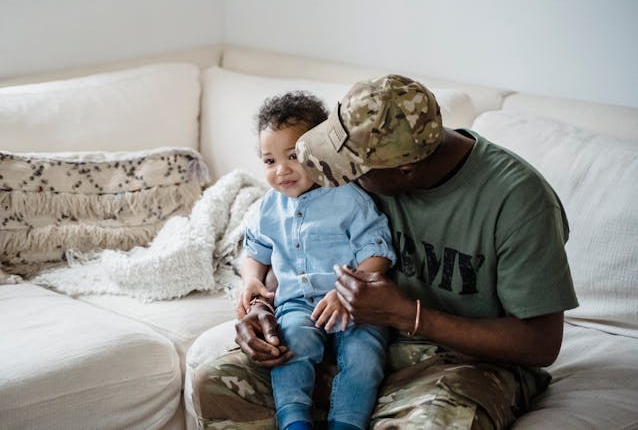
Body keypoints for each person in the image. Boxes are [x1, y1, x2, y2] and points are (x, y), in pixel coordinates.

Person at [192, 74, 579, 429]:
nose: (330, 175)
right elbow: (298, 246)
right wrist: (262, 306)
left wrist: (406, 314)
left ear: (405, 170)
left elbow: (541, 343)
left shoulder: (518, 201)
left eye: (348, 169)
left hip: (463, 366)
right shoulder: (371, 164)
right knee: (216, 382)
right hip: (353, 342)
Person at [238, 91, 396, 430]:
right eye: (269, 161)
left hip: (355, 305)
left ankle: (347, 422)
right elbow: (255, 250)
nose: (281, 171)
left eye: (293, 156)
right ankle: (294, 421)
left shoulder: (349, 197)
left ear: (320, 151)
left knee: (364, 358)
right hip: (296, 304)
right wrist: (251, 279)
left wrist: (346, 291)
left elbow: (378, 251)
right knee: (289, 347)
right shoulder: (268, 207)